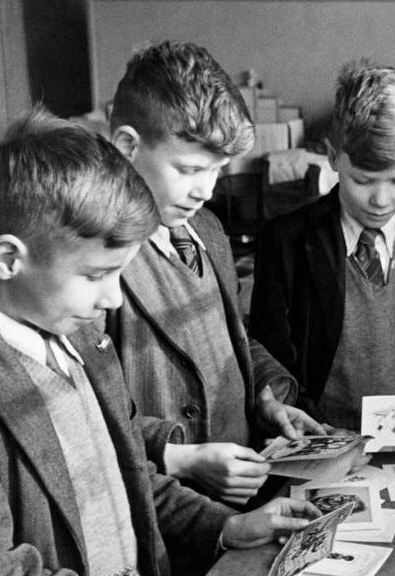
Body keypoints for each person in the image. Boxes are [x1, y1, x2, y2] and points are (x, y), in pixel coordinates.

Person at [0, 110, 320, 576]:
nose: (113, 297)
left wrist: (226, 527)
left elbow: (131, 474)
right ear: (8, 259)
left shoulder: (79, 335)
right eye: (95, 275)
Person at [106, 41, 325, 508]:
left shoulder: (206, 228)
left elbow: (233, 339)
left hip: (241, 497)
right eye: (188, 169)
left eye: (218, 170)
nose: (205, 190)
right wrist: (178, 454)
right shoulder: (97, 263)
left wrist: (265, 398)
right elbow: (91, 411)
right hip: (165, 507)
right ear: (127, 147)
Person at [250, 61, 395, 465]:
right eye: (364, 181)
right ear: (334, 157)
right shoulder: (286, 242)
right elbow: (271, 363)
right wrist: (320, 435)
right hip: (322, 448)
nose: (381, 200)